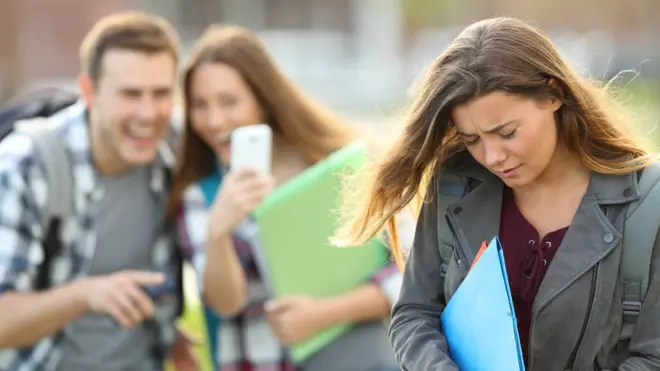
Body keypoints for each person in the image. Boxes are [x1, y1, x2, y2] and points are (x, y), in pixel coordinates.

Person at [333, 16, 660, 371]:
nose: (491, 157)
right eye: (471, 139)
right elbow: (415, 312)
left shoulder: (648, 202)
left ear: (554, 94)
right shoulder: (454, 184)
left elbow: (652, 356)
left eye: (506, 132)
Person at [166, 24, 410, 371]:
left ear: (264, 100)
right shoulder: (199, 194)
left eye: (229, 101)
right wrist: (218, 231)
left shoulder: (335, 168)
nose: (214, 119)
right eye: (200, 105)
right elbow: (224, 303)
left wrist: (323, 314)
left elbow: (409, 275)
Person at [0, 11, 204, 371]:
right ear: (89, 91)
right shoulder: (26, 165)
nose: (148, 113)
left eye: (161, 94)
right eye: (130, 94)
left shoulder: (176, 149)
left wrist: (171, 336)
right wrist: (85, 295)